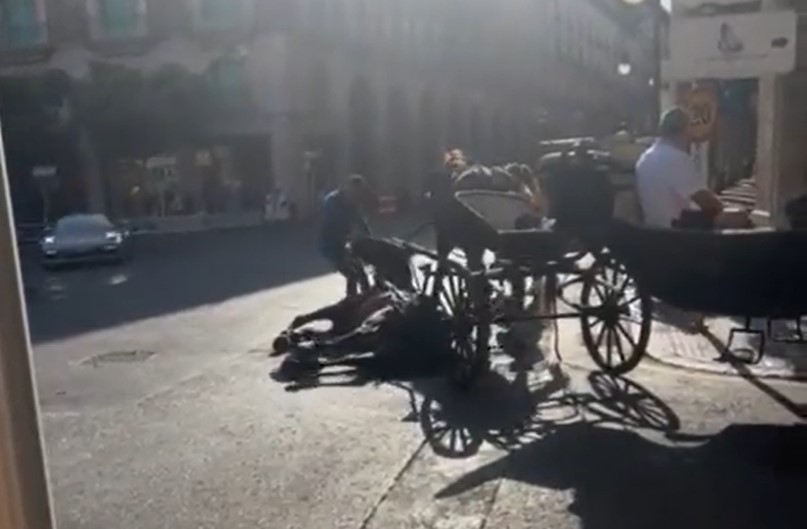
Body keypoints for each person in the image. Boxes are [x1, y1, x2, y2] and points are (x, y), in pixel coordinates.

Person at [636, 107, 749, 230]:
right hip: (676, 228)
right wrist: (729, 207)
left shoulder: (646, 156)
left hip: (653, 226)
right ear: (684, 130)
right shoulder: (676, 158)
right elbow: (707, 203)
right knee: (739, 216)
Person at [319, 174, 372, 296]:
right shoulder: (332, 202)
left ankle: (367, 296)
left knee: (361, 273)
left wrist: (370, 239)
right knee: (352, 272)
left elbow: (360, 222)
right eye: (355, 193)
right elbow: (333, 226)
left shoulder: (352, 202)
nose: (357, 197)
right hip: (330, 245)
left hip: (345, 244)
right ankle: (351, 301)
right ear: (348, 188)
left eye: (359, 194)